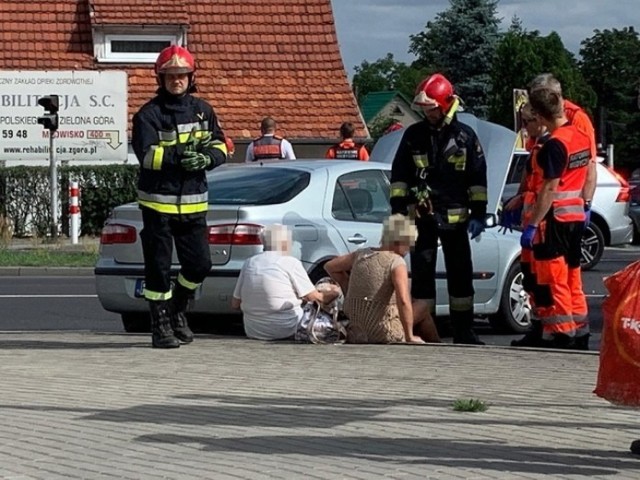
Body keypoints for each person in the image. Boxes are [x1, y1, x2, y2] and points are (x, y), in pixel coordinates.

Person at [131, 45, 228, 349]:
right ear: (160, 78)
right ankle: (160, 326)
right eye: (170, 75)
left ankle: (177, 308)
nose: (176, 80)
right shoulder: (148, 114)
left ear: (190, 76)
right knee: (158, 267)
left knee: (200, 265)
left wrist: (207, 159)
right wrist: (179, 155)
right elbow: (146, 156)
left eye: (181, 74)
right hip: (158, 203)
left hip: (194, 202)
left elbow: (221, 145)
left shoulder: (204, 110)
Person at [389, 73, 488, 345]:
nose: (428, 114)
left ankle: (464, 332)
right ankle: (425, 331)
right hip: (422, 218)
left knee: (461, 277)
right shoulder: (413, 135)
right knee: (422, 278)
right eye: (424, 109)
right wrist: (398, 212)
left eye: (432, 108)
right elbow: (399, 177)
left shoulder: (465, 137)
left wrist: (479, 215)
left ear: (445, 105)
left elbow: (478, 180)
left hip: (456, 221)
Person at [520, 86, 591, 349]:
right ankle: (580, 328)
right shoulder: (581, 137)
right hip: (575, 217)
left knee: (554, 279)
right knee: (573, 276)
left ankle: (563, 332)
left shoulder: (554, 144)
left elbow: (550, 187)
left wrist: (533, 224)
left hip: (554, 220)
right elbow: (588, 174)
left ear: (539, 115)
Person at [324, 214, 441, 344]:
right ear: (399, 241)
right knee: (422, 306)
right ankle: (438, 346)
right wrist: (409, 337)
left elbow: (330, 266)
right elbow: (403, 301)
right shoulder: (396, 262)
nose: (409, 250)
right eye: (409, 244)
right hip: (383, 332)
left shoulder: (360, 255)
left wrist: (347, 286)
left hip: (355, 332)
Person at [231, 224, 339, 340]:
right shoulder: (289, 262)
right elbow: (314, 297)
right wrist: (336, 292)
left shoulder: (249, 263)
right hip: (286, 328)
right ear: (283, 243)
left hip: (254, 330)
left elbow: (235, 303)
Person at [502, 103, 549, 347]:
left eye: (527, 122)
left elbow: (547, 189)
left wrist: (532, 218)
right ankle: (538, 328)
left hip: (543, 227)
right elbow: (532, 186)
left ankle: (549, 332)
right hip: (533, 225)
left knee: (543, 282)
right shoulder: (535, 148)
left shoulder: (547, 148)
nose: (524, 127)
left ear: (540, 120)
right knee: (531, 280)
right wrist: (519, 199)